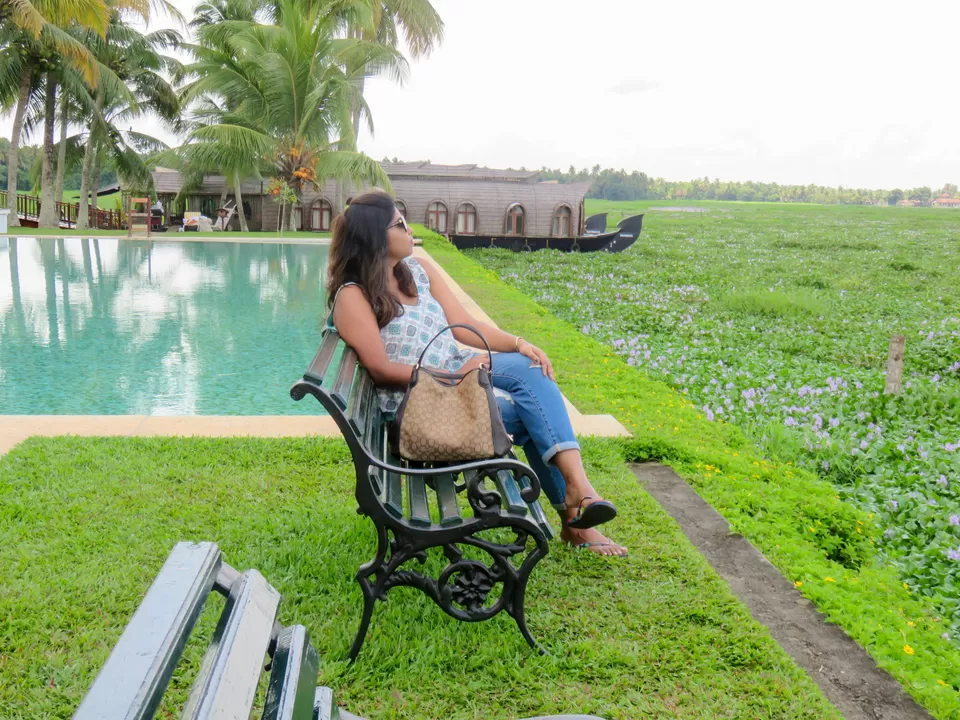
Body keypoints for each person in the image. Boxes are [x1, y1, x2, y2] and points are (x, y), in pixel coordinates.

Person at [327, 191, 627, 556]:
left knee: (531, 368)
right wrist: (455, 376)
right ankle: (575, 517)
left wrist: (518, 343)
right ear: (376, 235)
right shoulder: (353, 296)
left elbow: (464, 325)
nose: (410, 230)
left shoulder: (418, 271)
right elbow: (381, 369)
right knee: (529, 413)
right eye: (400, 224)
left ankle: (581, 491)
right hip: (422, 407)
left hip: (457, 374)